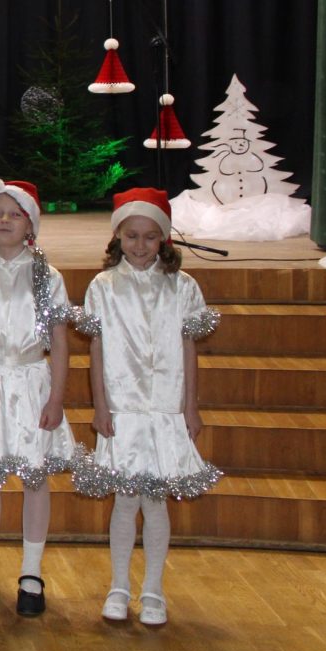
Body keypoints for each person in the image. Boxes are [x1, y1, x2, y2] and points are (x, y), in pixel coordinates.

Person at [75, 188, 220, 627]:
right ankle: (119, 586)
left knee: (155, 502)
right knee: (125, 500)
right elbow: (96, 349)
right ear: (118, 237)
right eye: (132, 236)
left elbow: (189, 349)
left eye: (150, 237)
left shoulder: (182, 286)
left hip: (165, 406)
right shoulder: (103, 286)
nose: (140, 245)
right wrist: (101, 406)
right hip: (123, 407)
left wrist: (189, 407)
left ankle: (153, 589)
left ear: (164, 239)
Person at [0, 179, 81, 616]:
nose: (4, 220)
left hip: (30, 383)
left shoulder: (48, 277)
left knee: (35, 477)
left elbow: (59, 342)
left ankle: (31, 571)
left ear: (30, 224)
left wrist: (56, 398)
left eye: (14, 214)